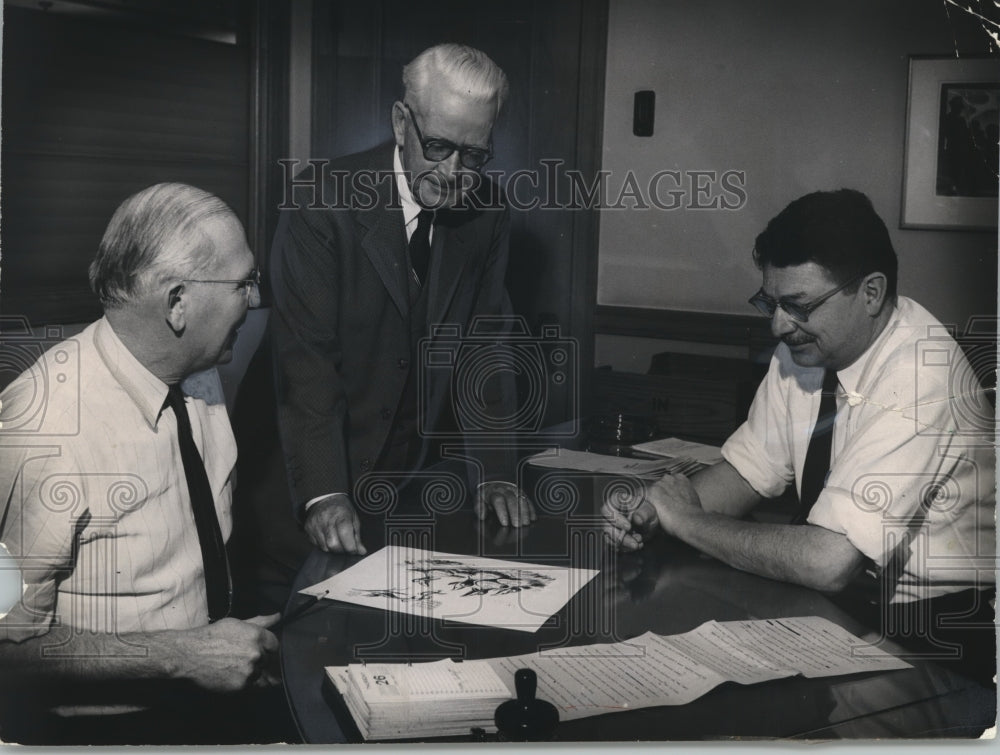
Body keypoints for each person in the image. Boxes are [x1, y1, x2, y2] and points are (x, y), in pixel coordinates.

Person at [605, 189, 995, 681]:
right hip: (844, 609)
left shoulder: (922, 376)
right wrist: (653, 513)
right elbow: (747, 475)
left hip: (936, 639)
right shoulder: (807, 349)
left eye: (798, 305)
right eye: (771, 301)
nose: (778, 324)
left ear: (871, 293)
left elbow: (827, 562)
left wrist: (683, 519)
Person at [0, 183, 295, 744]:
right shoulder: (41, 431)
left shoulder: (199, 368)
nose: (255, 301)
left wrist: (215, 646)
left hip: (207, 698)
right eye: (243, 285)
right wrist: (181, 655)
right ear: (177, 302)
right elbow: (4, 649)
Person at [267, 43, 535, 560]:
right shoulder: (321, 202)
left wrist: (495, 473)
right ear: (399, 123)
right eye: (438, 146)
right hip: (311, 486)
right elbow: (307, 365)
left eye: (475, 154)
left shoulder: (488, 212)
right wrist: (326, 493)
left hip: (410, 487)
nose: (455, 172)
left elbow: (486, 347)